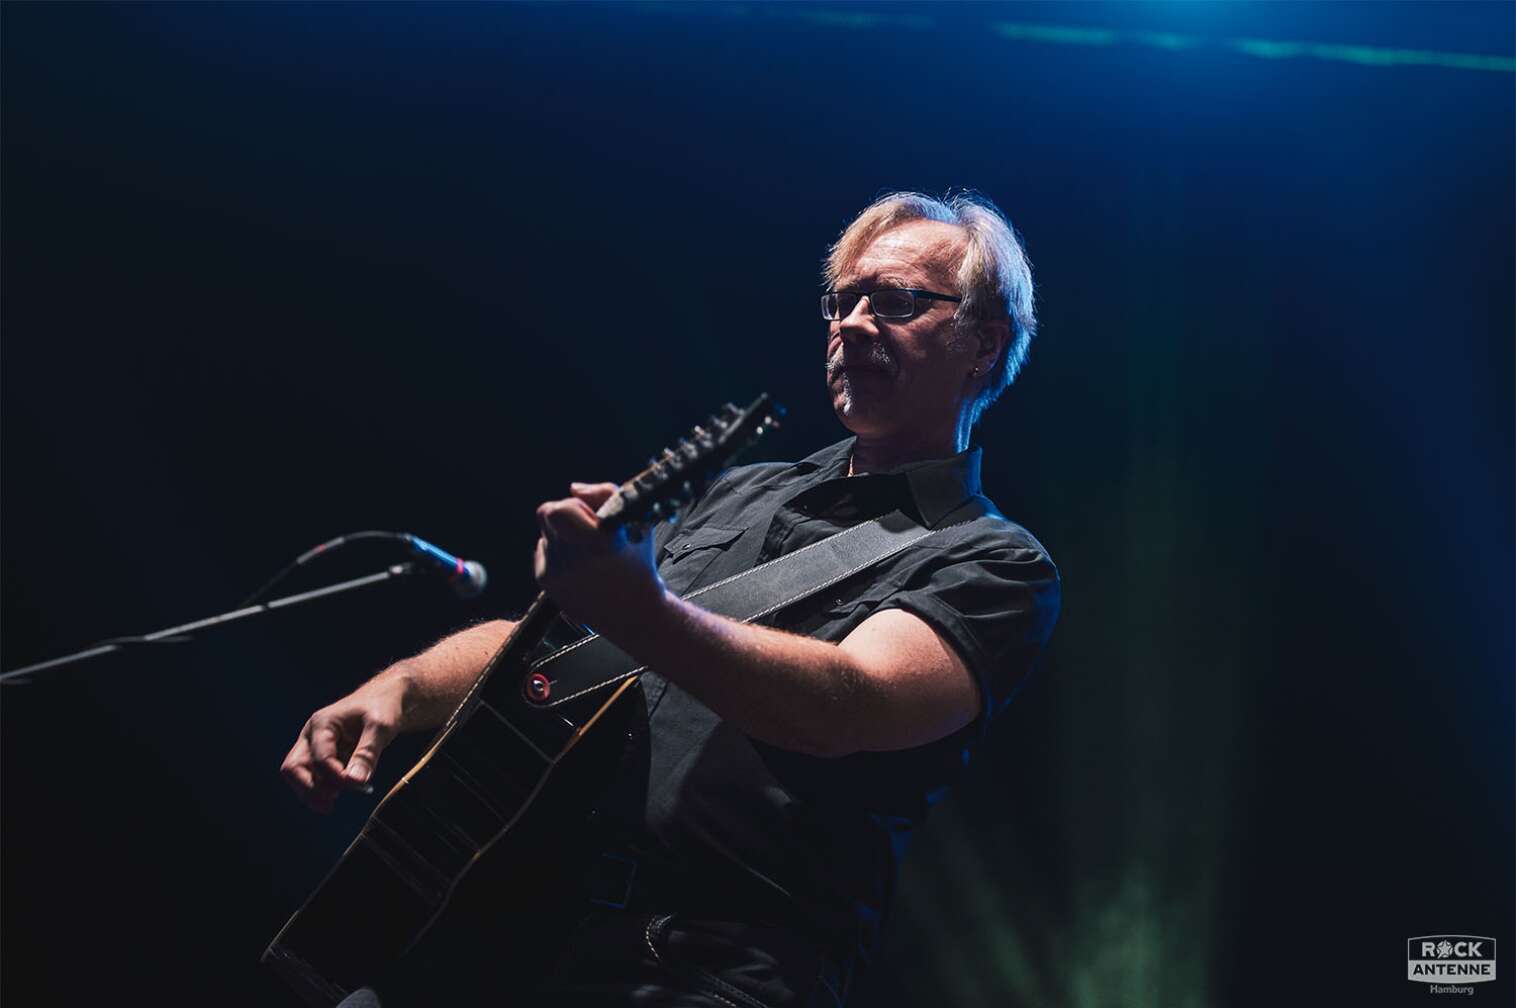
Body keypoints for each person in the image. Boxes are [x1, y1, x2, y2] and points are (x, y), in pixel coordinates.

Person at [282, 191, 1061, 1007]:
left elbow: (849, 705)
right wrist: (400, 689)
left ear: (983, 344)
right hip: (498, 931)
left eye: (896, 301)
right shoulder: (738, 492)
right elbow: (568, 653)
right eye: (842, 300)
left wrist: (641, 608)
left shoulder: (993, 561)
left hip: (696, 970)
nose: (854, 323)